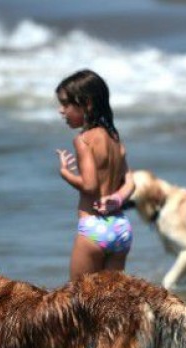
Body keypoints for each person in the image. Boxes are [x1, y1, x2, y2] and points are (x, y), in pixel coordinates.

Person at [55, 69, 135, 282]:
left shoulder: (83, 140)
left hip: (94, 229)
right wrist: (116, 199)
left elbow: (89, 186)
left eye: (65, 104)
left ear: (86, 104)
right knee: (110, 304)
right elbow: (130, 182)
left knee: (78, 303)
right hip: (120, 227)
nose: (61, 111)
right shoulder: (114, 136)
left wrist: (65, 173)